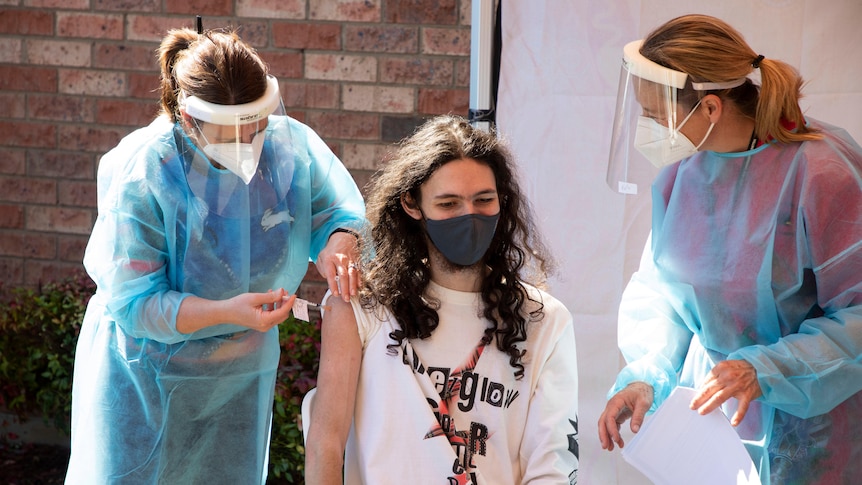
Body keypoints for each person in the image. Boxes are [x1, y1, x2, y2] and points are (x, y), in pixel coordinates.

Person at [65, 27, 366, 484]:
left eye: (258, 130)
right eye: (232, 136)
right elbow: (136, 302)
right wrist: (227, 311)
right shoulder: (146, 172)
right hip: (147, 383)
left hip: (238, 380)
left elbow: (337, 212)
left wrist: (339, 243)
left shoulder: (287, 150)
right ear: (189, 119)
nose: (250, 148)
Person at [598, 14, 862, 484]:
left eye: (658, 116)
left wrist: (767, 368)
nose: (650, 129)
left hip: (814, 438)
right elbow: (664, 295)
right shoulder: (683, 178)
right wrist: (649, 373)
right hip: (712, 434)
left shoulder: (823, 173)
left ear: (711, 108)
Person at [304, 115, 580, 484]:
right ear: (411, 204)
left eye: (484, 199)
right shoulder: (360, 306)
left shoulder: (545, 320)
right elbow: (326, 443)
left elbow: (553, 463)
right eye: (449, 203)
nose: (469, 216)